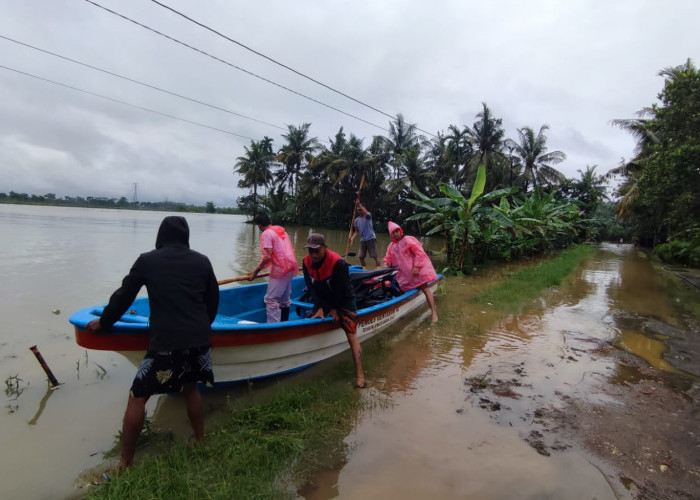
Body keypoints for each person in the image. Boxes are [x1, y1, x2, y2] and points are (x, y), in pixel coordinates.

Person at [86, 216, 219, 470]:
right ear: (185, 237)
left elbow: (124, 296)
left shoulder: (147, 261)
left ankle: (125, 464)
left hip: (166, 342)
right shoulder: (202, 261)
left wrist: (104, 322)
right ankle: (200, 440)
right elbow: (212, 301)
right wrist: (200, 329)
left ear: (161, 236)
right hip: (199, 339)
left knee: (138, 396)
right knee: (190, 389)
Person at [302, 233, 366, 388]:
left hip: (343, 299)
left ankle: (360, 377)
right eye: (310, 251)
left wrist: (334, 309)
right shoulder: (306, 261)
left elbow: (341, 289)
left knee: (351, 334)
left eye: (317, 250)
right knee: (308, 318)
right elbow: (310, 286)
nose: (313, 255)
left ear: (325, 247)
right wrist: (321, 307)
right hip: (323, 298)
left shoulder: (339, 264)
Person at [247, 213, 298, 323]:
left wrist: (255, 272)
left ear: (259, 225)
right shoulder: (280, 230)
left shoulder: (266, 233)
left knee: (270, 300)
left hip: (280, 269)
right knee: (284, 300)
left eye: (258, 226)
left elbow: (267, 257)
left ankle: (273, 326)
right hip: (290, 267)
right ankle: (284, 323)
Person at [384, 221, 439, 323]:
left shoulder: (408, 240)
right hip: (404, 275)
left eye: (397, 231)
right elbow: (387, 258)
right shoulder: (391, 246)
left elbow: (419, 253)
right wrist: (385, 265)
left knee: (425, 289)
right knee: (402, 291)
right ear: (391, 235)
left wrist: (417, 266)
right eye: (393, 232)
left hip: (415, 272)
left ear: (401, 231)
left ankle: (434, 312)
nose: (395, 234)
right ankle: (404, 311)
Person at [348, 201, 381, 269]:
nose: (360, 211)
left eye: (361, 209)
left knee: (374, 255)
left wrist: (359, 204)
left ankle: (379, 269)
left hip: (371, 238)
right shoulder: (356, 221)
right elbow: (356, 232)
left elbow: (366, 212)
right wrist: (352, 239)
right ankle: (364, 270)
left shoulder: (367, 216)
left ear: (363, 208)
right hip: (363, 240)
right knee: (360, 256)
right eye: (358, 210)